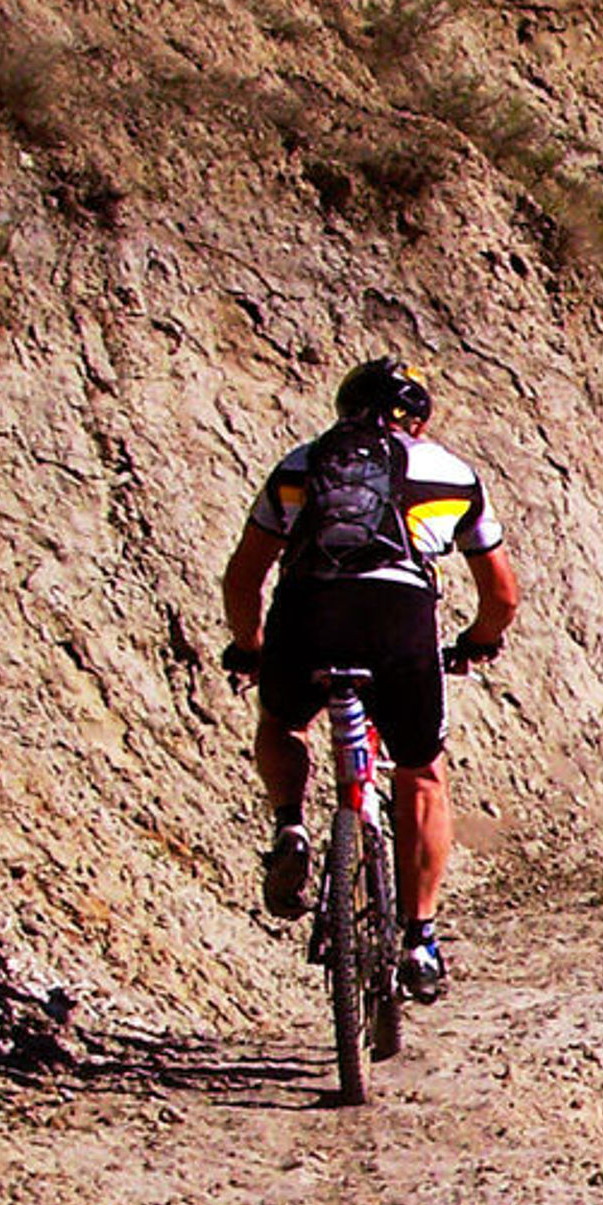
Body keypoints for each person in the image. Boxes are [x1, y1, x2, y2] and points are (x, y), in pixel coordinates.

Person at [217, 358, 519, 1000]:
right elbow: (501, 593)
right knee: (421, 772)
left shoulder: (300, 465)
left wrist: (250, 647)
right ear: (421, 418)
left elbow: (243, 576)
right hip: (399, 619)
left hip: (308, 612)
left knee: (284, 721)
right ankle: (419, 940)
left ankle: (290, 825)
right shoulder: (453, 473)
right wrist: (478, 641)